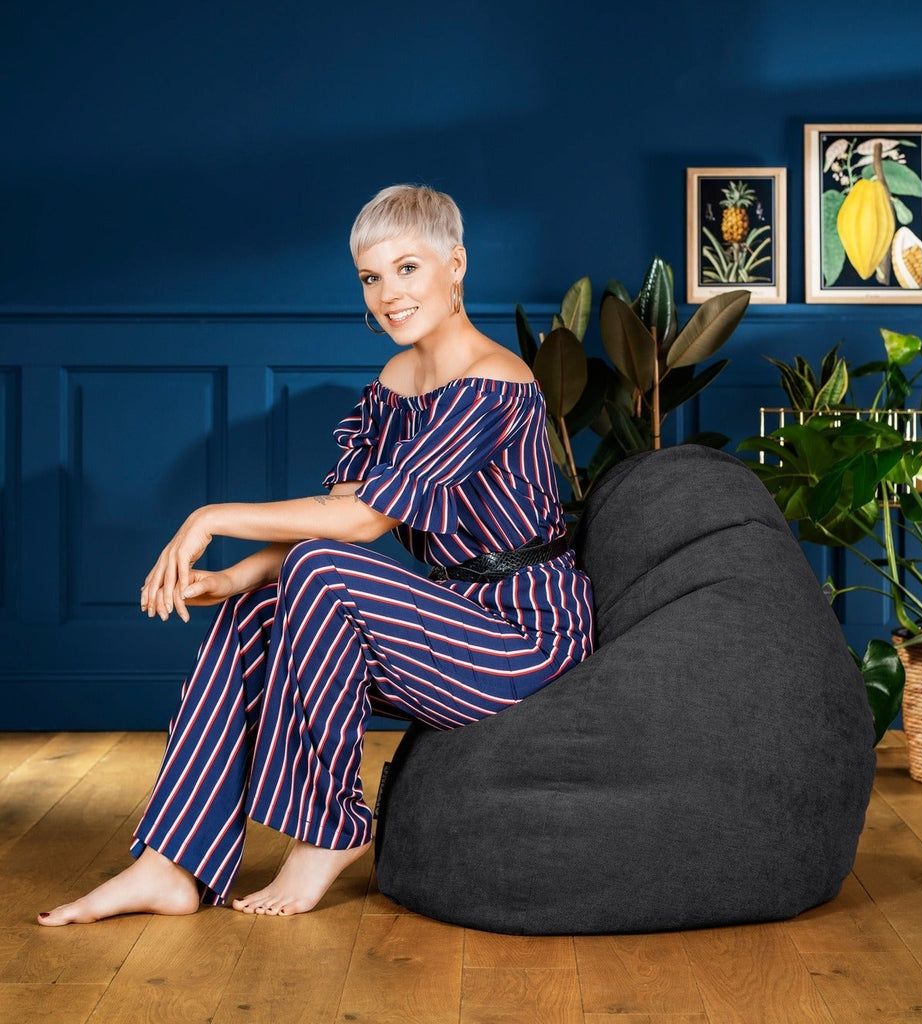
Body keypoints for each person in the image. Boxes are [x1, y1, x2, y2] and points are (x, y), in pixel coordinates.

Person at [37, 184, 594, 925]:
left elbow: (360, 523)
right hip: (450, 620)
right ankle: (170, 863)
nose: (388, 295)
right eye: (370, 277)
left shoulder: (495, 383)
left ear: (455, 265)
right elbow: (333, 515)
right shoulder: (394, 386)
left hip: (523, 635)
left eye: (407, 269)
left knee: (321, 571)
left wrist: (210, 516)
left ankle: (332, 830)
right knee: (259, 607)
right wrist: (234, 576)